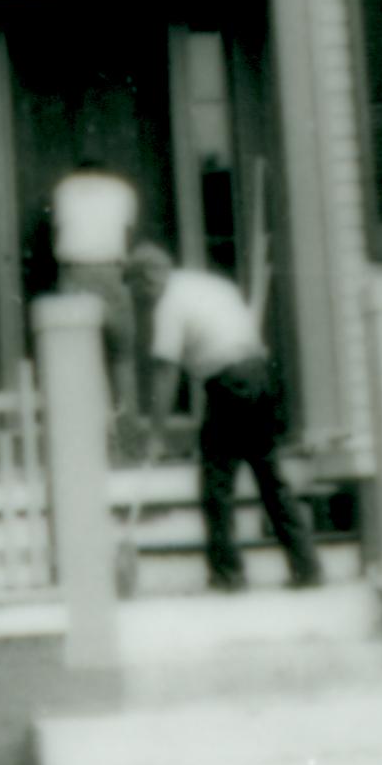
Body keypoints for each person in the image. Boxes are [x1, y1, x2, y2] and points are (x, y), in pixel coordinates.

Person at [127, 242, 321, 593]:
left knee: (217, 485)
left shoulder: (170, 304)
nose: (144, 300)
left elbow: (165, 373)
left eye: (140, 291)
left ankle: (228, 576)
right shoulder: (206, 284)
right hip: (262, 375)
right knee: (269, 476)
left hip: (231, 384)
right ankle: (307, 568)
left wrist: (156, 433)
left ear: (148, 278)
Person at [47, 157, 144, 456]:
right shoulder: (122, 190)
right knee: (122, 360)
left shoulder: (64, 189)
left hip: (74, 272)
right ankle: (128, 446)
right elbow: (127, 237)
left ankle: (82, 448)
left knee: (76, 362)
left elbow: (57, 232)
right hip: (112, 272)